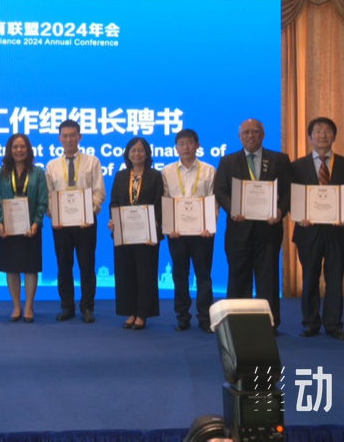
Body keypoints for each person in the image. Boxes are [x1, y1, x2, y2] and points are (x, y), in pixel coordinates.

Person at [214, 119, 291, 333]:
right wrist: (233, 209)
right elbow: (221, 191)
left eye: (255, 131)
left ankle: (268, 324)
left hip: (269, 230)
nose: (251, 135)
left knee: (268, 280)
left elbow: (288, 191)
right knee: (238, 279)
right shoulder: (228, 161)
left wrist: (280, 211)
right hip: (238, 231)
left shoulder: (279, 159)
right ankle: (239, 325)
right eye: (246, 132)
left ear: (263, 135)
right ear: (239, 137)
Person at [292, 117, 344, 341]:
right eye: (318, 131)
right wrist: (298, 216)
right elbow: (292, 197)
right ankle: (310, 323)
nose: (323, 135)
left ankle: (333, 325)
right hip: (308, 232)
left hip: (338, 232)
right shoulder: (297, 166)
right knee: (310, 278)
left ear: (334, 136)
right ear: (310, 137)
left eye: (328, 131)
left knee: (335, 279)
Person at [45, 119, 106, 323]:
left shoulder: (92, 161)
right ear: (59, 138)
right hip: (61, 225)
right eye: (65, 136)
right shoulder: (52, 165)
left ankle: (87, 307)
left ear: (80, 137)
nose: (69, 139)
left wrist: (89, 213)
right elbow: (48, 195)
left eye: (73, 135)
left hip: (86, 224)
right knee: (64, 266)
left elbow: (99, 192)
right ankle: (67, 306)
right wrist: (54, 215)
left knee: (87, 266)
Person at [160, 129, 218, 333]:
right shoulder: (167, 171)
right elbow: (165, 200)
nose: (186, 147)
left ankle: (205, 317)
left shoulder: (209, 170)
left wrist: (210, 225)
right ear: (176, 148)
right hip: (177, 233)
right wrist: (169, 227)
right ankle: (182, 316)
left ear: (197, 145)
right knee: (179, 275)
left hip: (203, 233)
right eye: (181, 143)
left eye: (190, 143)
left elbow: (213, 200)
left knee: (203, 275)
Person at [108, 137, 164, 330]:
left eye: (140, 150)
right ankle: (130, 311)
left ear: (147, 153)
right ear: (128, 154)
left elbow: (159, 203)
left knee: (145, 273)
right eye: (133, 150)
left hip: (147, 234)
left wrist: (153, 228)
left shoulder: (155, 176)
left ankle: (142, 314)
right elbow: (114, 201)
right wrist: (114, 220)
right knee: (125, 273)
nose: (137, 154)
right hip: (124, 233)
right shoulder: (121, 176)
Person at [0, 133, 49, 323]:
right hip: (8, 228)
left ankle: (29, 307)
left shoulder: (38, 173)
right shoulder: (1, 173)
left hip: (31, 228)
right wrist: (0, 222)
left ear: (28, 149)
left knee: (30, 267)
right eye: (15, 147)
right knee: (12, 267)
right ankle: (16, 306)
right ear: (9, 150)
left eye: (22, 146)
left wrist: (36, 223)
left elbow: (42, 201)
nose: (19, 150)